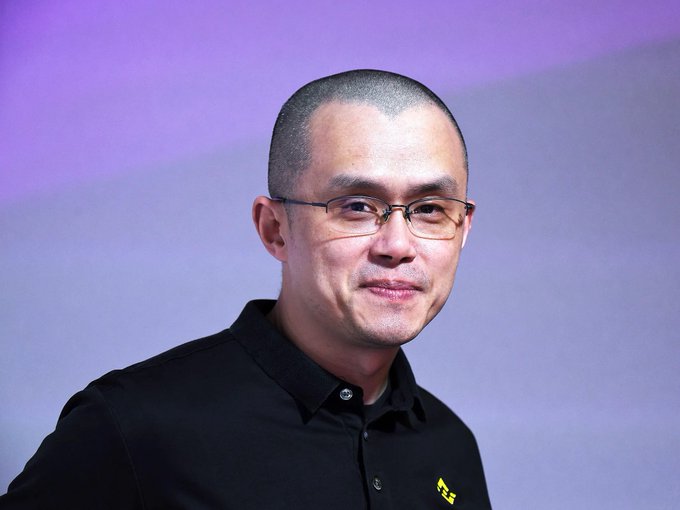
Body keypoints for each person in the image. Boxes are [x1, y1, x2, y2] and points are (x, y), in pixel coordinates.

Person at [1, 70, 491, 509]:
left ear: (463, 229)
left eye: (430, 209)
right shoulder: (135, 426)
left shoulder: (450, 444)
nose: (398, 246)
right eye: (357, 206)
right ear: (275, 229)